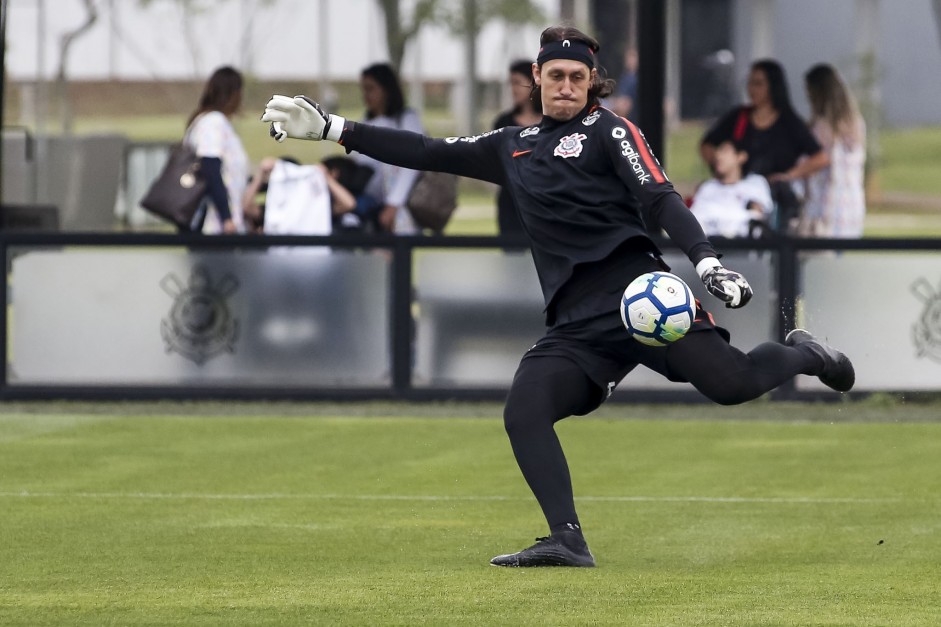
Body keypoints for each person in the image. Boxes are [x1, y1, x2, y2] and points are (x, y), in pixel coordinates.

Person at [262, 25, 855, 568]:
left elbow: (660, 197)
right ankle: (566, 538)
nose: (566, 86)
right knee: (525, 410)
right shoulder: (511, 144)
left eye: (577, 77)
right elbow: (428, 151)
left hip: (642, 295)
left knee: (734, 385)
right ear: (537, 81)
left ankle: (806, 353)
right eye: (555, 76)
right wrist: (335, 129)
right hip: (575, 320)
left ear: (591, 84)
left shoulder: (610, 130)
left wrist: (705, 261)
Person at [700, 59, 829, 232]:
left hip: (772, 194)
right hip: (737, 190)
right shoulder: (739, 117)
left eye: (758, 84)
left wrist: (789, 175)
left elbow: (820, 157)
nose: (752, 89)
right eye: (750, 83)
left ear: (772, 87)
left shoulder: (788, 121)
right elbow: (708, 145)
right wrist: (722, 168)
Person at [354, 63, 425, 234]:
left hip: (400, 206)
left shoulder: (406, 119)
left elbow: (412, 165)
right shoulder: (365, 121)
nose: (366, 95)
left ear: (386, 89)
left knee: (396, 255)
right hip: (371, 205)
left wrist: (394, 203)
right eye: (364, 89)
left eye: (371, 89)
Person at [800, 63, 867, 238]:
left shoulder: (822, 127)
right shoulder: (855, 124)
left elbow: (821, 160)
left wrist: (791, 173)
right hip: (852, 205)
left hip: (825, 207)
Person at [185, 66, 250, 234]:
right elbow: (210, 167)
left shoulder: (212, 122)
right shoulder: (212, 123)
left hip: (223, 223)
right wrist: (226, 218)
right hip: (213, 225)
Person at [492, 59, 543, 237]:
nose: (513, 88)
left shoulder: (550, 122)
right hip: (511, 203)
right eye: (510, 83)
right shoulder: (504, 123)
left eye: (517, 82)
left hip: (544, 204)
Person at [242, 157, 357, 235]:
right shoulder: (275, 207)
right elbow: (246, 208)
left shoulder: (316, 206)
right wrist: (260, 175)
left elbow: (349, 204)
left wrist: (326, 178)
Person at [689, 139, 773, 238]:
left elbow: (756, 217)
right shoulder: (707, 187)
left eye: (725, 151)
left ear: (741, 156)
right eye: (717, 151)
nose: (718, 156)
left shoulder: (755, 183)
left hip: (743, 247)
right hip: (710, 247)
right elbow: (693, 220)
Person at [610, 47, 638, 121]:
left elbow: (626, 103)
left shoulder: (637, 79)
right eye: (628, 58)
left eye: (632, 57)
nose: (629, 61)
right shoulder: (625, 77)